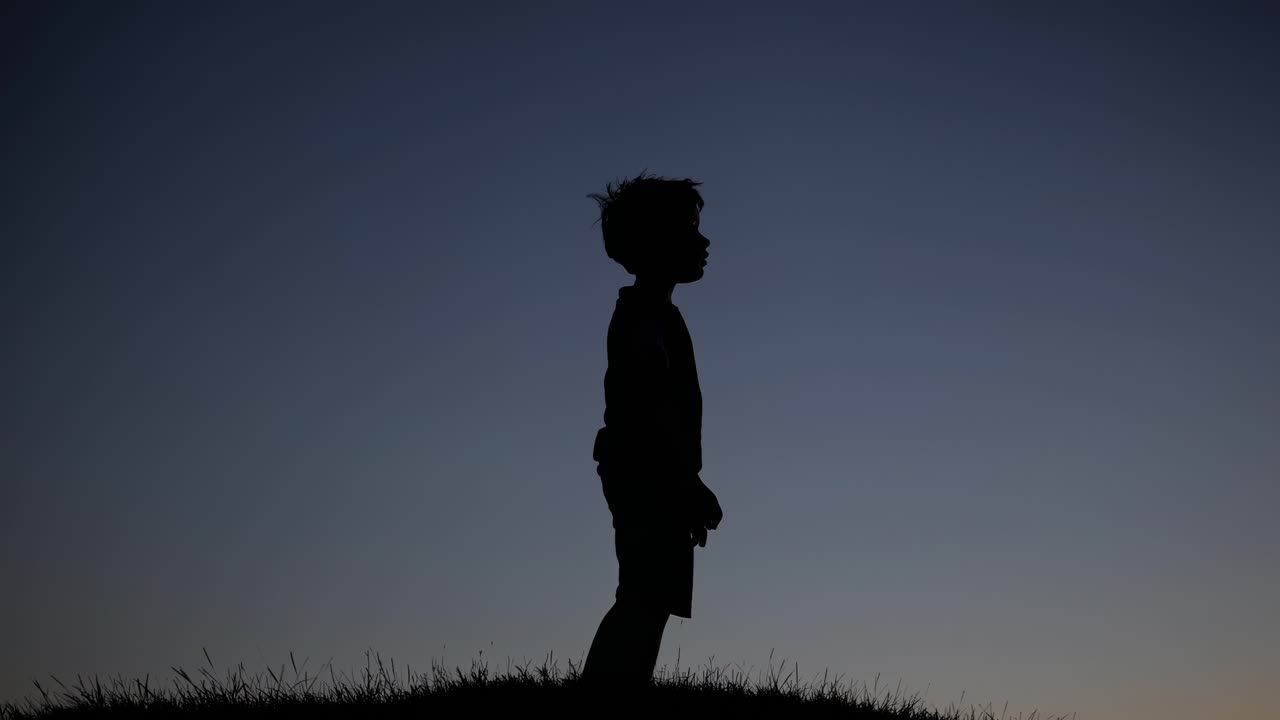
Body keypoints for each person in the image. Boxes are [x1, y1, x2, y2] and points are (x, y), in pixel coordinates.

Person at [580, 171, 724, 690]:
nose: (703, 241)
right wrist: (686, 485)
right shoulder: (645, 319)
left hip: (653, 473)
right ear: (656, 242)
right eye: (690, 229)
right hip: (647, 474)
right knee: (643, 596)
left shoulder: (657, 315)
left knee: (652, 597)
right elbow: (647, 411)